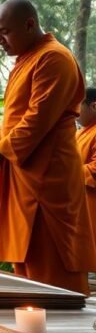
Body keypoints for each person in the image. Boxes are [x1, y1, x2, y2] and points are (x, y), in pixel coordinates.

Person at [0, 0, 96, 294]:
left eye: (5, 32)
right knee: (26, 269)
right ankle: (31, 328)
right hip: (24, 177)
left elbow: (38, 118)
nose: (0, 41)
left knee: (52, 268)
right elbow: (11, 120)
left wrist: (0, 151)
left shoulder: (54, 58)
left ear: (30, 24)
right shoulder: (26, 60)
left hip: (48, 179)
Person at [76, 88, 96, 248]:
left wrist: (65, 172)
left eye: (77, 105)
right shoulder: (79, 133)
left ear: (94, 106)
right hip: (77, 206)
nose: (74, 111)